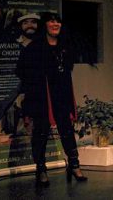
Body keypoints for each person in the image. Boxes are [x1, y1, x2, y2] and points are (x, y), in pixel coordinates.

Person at [15, 12, 87, 186]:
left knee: (67, 131)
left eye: (58, 22)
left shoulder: (65, 46)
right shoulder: (33, 48)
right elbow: (21, 72)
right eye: (52, 21)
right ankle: (41, 170)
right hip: (42, 98)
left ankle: (74, 165)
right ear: (45, 25)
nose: (56, 24)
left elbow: (67, 69)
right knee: (40, 133)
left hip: (62, 95)